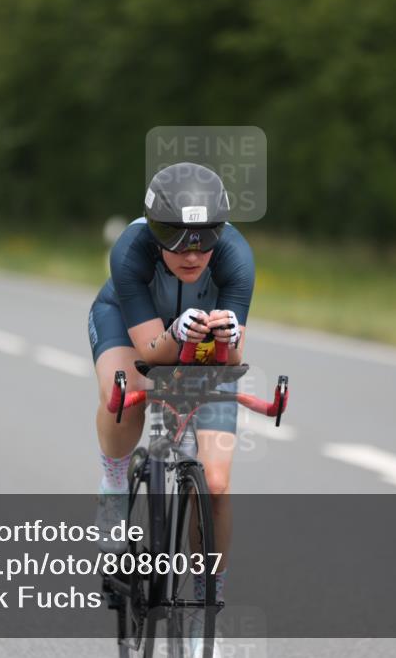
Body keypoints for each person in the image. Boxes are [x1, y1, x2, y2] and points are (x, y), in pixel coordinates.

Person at [88, 162, 255, 611]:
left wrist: (231, 338)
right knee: (124, 393)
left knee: (217, 484)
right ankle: (114, 480)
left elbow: (234, 360)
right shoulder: (130, 249)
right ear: (155, 230)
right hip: (131, 327)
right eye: (176, 237)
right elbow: (150, 351)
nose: (192, 254)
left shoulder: (237, 256)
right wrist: (177, 333)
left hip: (200, 347)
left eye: (204, 240)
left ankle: (207, 603)